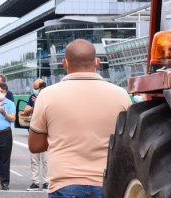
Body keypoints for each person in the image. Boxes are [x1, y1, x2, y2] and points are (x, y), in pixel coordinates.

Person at [29, 39, 130, 197]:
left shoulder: (47, 95)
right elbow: (128, 144)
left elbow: (35, 145)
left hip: (64, 183)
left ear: (64, 63)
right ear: (97, 61)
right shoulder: (121, 95)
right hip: (106, 183)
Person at [24, 78, 48, 191]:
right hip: (34, 131)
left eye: (35, 88)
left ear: (42, 87)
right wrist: (35, 106)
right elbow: (26, 110)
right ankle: (35, 182)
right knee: (34, 159)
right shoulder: (33, 97)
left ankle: (47, 182)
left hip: (47, 132)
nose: (34, 90)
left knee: (46, 160)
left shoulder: (50, 96)